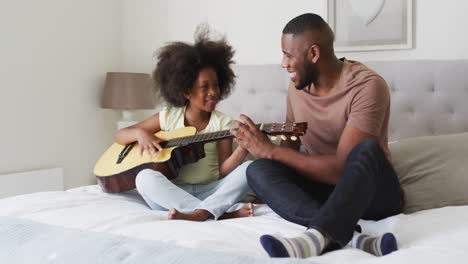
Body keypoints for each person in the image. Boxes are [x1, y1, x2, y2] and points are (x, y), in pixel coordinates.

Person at [231, 13, 402, 258]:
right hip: (322, 190)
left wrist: (271, 150)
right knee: (257, 170)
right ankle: (351, 236)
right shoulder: (297, 87)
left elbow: (342, 169)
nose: (283, 63)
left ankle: (315, 237)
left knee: (366, 150)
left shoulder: (367, 86)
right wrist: (263, 145)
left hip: (372, 195)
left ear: (313, 54)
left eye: (289, 55)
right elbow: (289, 151)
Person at [115, 26, 253, 222]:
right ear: (186, 91)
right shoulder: (168, 117)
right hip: (173, 192)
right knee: (144, 178)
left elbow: (222, 170)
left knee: (249, 169)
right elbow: (120, 135)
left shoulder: (224, 123)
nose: (213, 92)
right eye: (205, 87)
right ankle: (218, 214)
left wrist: (242, 150)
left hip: (212, 191)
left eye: (216, 85)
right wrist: (140, 134)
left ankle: (200, 213)